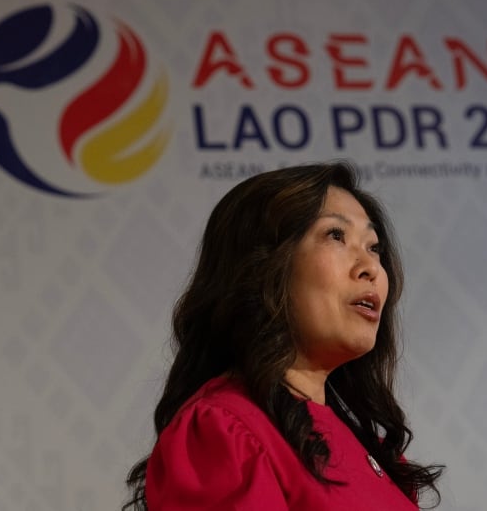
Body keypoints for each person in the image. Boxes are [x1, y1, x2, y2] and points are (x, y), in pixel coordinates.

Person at [123, 161, 443, 510]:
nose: (371, 268)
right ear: (263, 267)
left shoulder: (369, 447)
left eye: (374, 247)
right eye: (336, 235)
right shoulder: (224, 429)